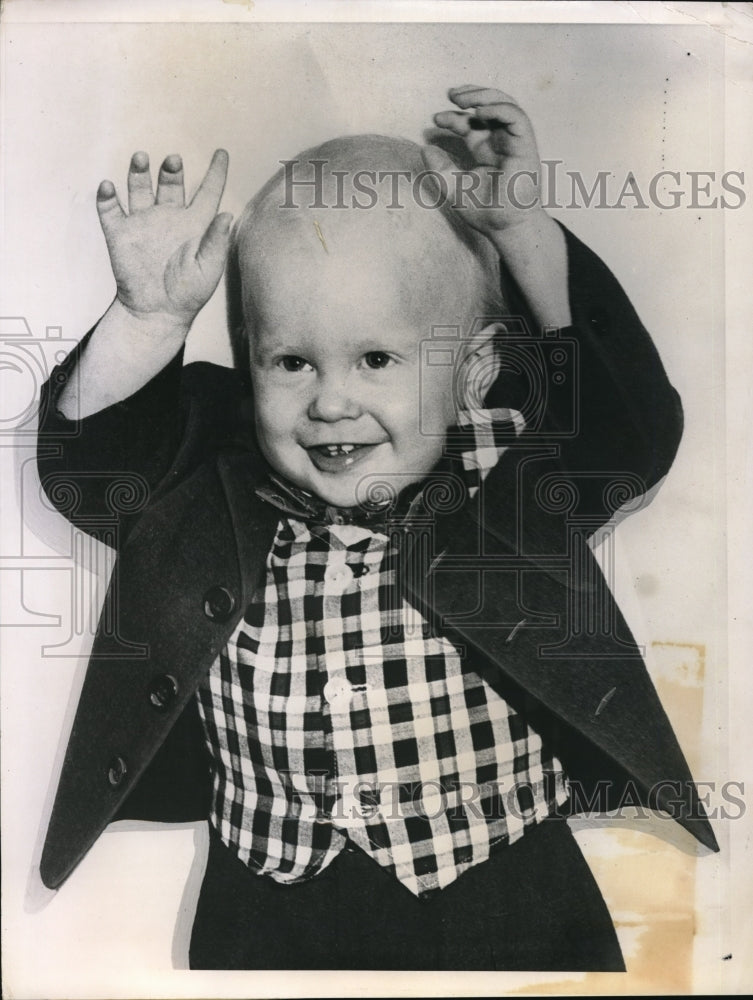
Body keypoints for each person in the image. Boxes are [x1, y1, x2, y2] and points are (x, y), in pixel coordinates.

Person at [36, 85, 717, 971]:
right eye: (290, 360)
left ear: (472, 374)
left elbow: (632, 428)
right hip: (266, 904)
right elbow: (91, 472)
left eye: (376, 359)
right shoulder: (212, 485)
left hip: (506, 893)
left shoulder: (506, 476)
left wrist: (524, 235)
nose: (328, 402)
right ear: (248, 365)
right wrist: (148, 320)